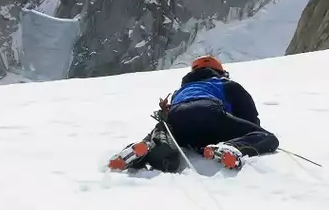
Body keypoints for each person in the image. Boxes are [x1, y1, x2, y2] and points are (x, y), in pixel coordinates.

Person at [108, 55, 278, 172]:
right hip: (209, 113)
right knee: (267, 137)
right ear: (219, 71)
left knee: (167, 144)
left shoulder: (180, 91)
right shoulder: (226, 84)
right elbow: (250, 117)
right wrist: (248, 133)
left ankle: (148, 147)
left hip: (176, 118)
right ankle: (229, 147)